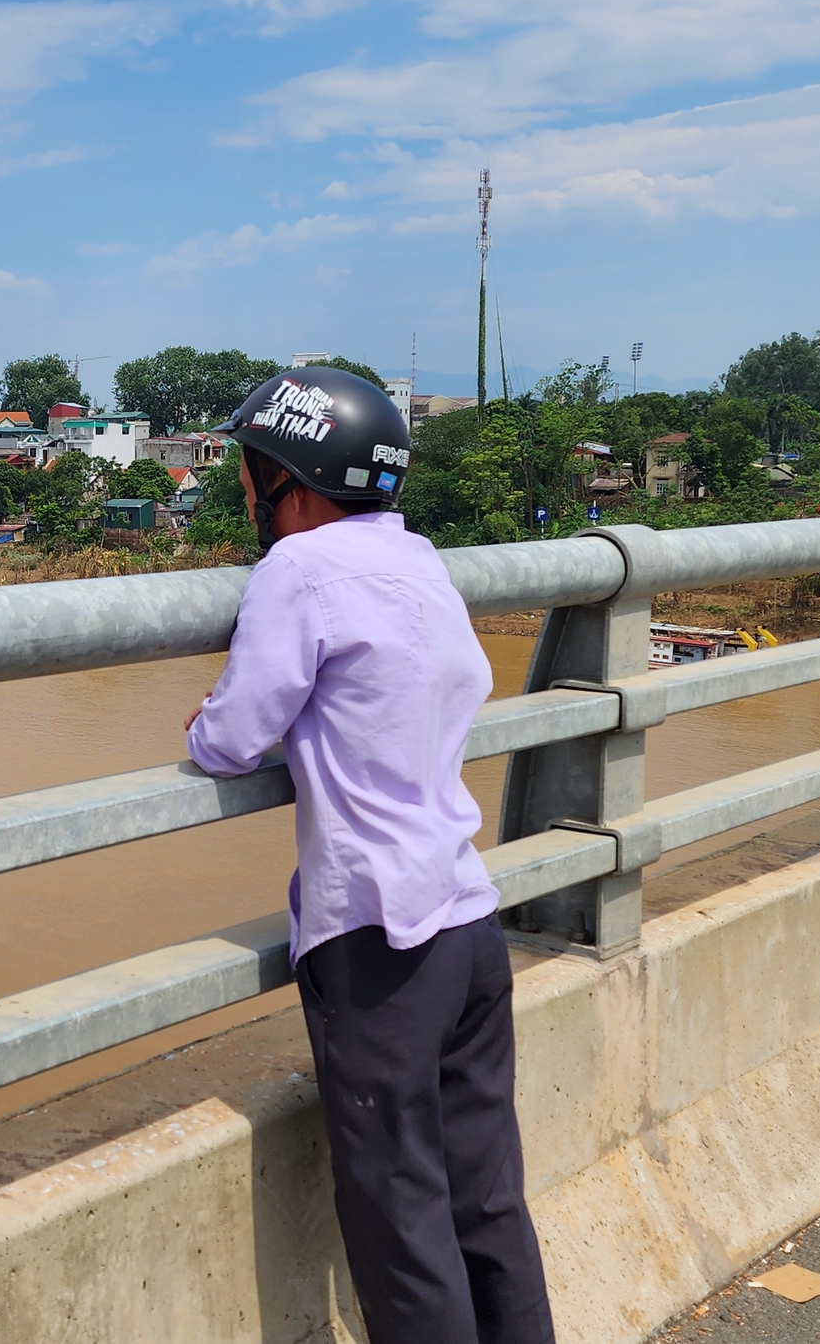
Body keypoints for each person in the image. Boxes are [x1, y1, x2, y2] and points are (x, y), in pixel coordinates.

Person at [184, 366, 555, 1344]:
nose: (243, 494)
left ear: (291, 485)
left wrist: (203, 726)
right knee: (484, 1200)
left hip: (379, 942)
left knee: (400, 1219)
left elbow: (231, 734)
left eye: (247, 474)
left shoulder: (296, 572)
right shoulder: (418, 560)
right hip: (467, 919)